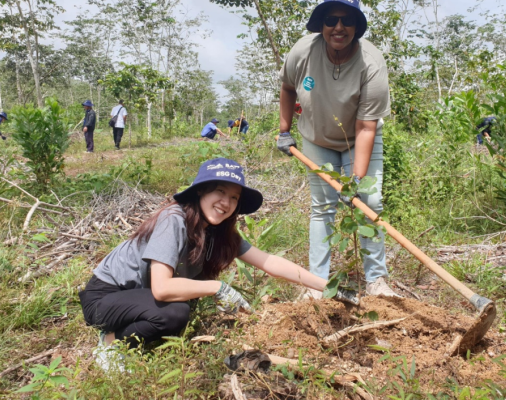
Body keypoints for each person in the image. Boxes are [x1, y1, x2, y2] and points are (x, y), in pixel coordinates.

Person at [78, 158, 358, 371]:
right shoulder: (173, 219)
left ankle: (130, 331)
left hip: (140, 298)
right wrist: (218, 288)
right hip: (106, 298)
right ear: (200, 192)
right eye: (220, 192)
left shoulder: (219, 232)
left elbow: (270, 263)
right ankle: (110, 343)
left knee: (180, 311)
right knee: (175, 311)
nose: (226, 203)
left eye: (234, 197)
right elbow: (162, 289)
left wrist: (331, 288)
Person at [276, 0, 400, 299]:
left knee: (369, 203)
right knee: (322, 208)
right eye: (331, 20)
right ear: (321, 24)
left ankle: (376, 280)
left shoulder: (371, 63)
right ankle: (317, 283)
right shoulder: (302, 52)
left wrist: (356, 179)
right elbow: (288, 87)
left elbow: (366, 126)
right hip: (316, 138)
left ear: (357, 26)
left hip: (358, 138)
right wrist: (284, 130)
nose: (339, 28)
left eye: (347, 21)